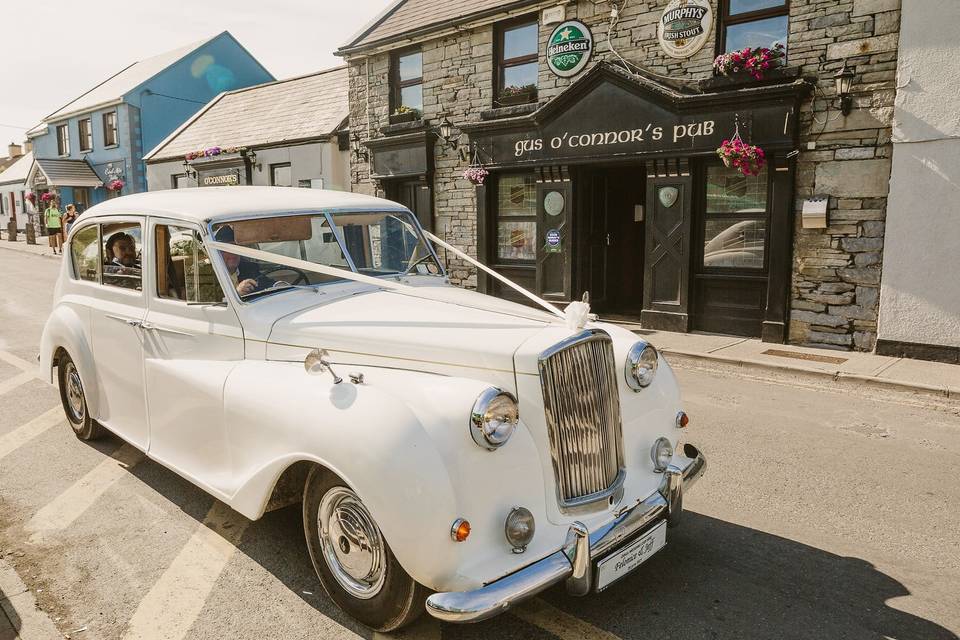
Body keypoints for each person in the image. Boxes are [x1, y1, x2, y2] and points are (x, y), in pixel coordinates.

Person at [213, 225, 274, 296]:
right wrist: (237, 293)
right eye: (226, 249)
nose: (233, 253)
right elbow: (209, 302)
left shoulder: (247, 267)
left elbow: (264, 282)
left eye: (236, 248)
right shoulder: (208, 274)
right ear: (216, 253)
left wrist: (279, 285)